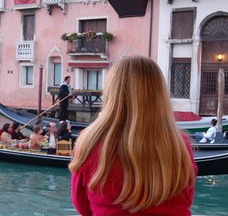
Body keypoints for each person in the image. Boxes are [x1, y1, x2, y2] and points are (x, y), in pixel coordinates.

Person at [69, 56, 197, 215]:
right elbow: (186, 199)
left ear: (112, 93)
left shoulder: (88, 141)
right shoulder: (180, 144)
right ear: (159, 95)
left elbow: (82, 207)